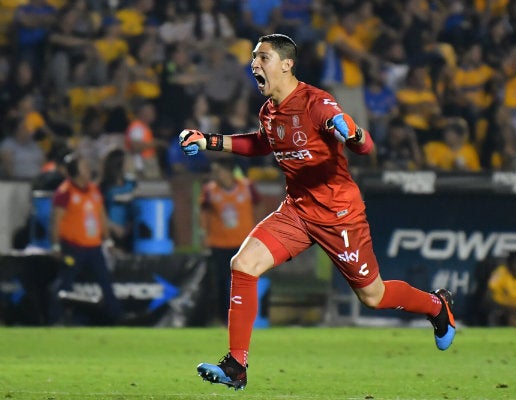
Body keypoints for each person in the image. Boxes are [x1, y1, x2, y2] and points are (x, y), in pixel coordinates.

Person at [179, 34, 455, 390]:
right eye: (253, 58)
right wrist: (209, 140)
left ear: (286, 64)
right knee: (243, 265)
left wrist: (352, 133)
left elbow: (365, 145)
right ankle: (237, 365)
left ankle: (436, 307)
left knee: (374, 296)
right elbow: (263, 142)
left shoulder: (316, 103)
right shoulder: (269, 111)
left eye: (262, 57)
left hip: (338, 215)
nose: (254, 64)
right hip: (296, 211)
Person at [48, 153, 122, 325]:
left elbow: (101, 216)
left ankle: (117, 317)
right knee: (65, 283)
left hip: (94, 246)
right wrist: (56, 245)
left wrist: (107, 239)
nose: (88, 169)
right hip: (73, 246)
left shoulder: (93, 189)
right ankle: (54, 318)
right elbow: (55, 221)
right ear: (76, 171)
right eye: (84, 166)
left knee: (105, 282)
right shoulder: (65, 192)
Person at [199, 157, 261, 326]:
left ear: (228, 171)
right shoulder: (210, 191)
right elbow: (204, 213)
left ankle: (245, 317)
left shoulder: (247, 187)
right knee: (220, 282)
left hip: (243, 243)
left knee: (244, 281)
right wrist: (204, 234)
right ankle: (223, 318)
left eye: (218, 170)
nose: (215, 174)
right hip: (219, 244)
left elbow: (257, 208)